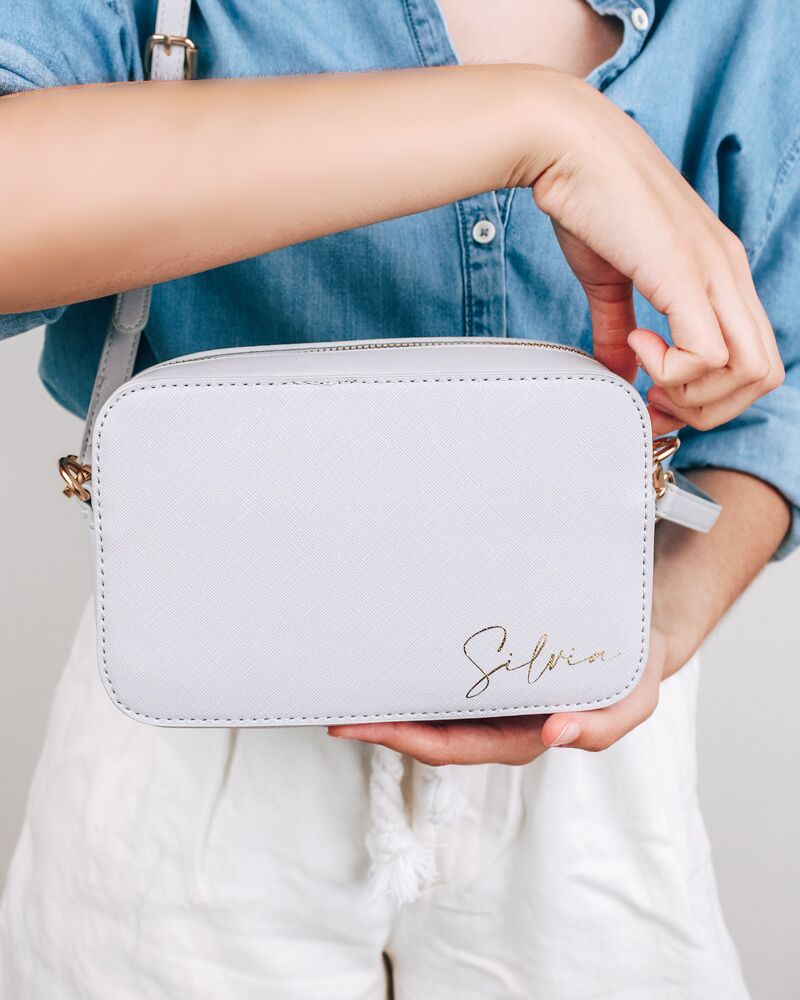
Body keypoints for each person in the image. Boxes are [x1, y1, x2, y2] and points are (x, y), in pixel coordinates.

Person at [0, 0, 797, 996]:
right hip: (188, 722)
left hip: (585, 727)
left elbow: (780, 387)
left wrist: (666, 619)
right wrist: (538, 127)